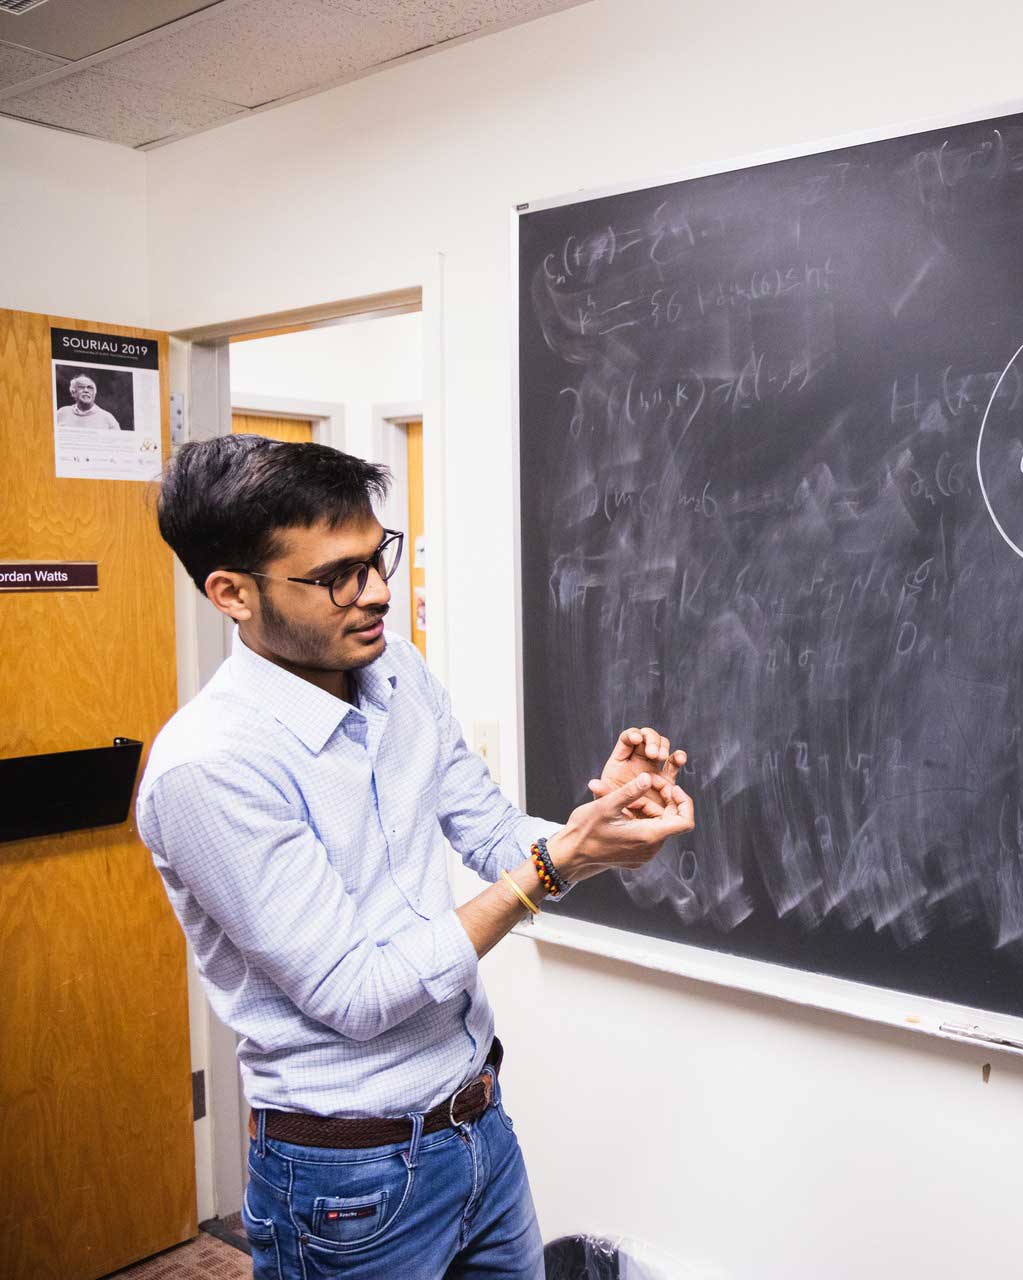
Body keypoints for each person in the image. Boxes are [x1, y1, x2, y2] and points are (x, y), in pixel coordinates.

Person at [138, 434, 694, 1279]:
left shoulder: (395, 671)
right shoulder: (210, 769)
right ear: (231, 594)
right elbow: (358, 994)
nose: (377, 593)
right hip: (347, 1185)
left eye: (377, 557)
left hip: (477, 1128)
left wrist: (602, 828)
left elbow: (495, 835)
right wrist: (553, 867)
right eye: (336, 577)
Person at [54, 372, 121, 430]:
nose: (86, 390)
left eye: (90, 388)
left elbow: (118, 442)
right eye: (81, 387)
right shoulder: (61, 413)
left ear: (94, 393)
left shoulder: (107, 418)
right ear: (73, 392)